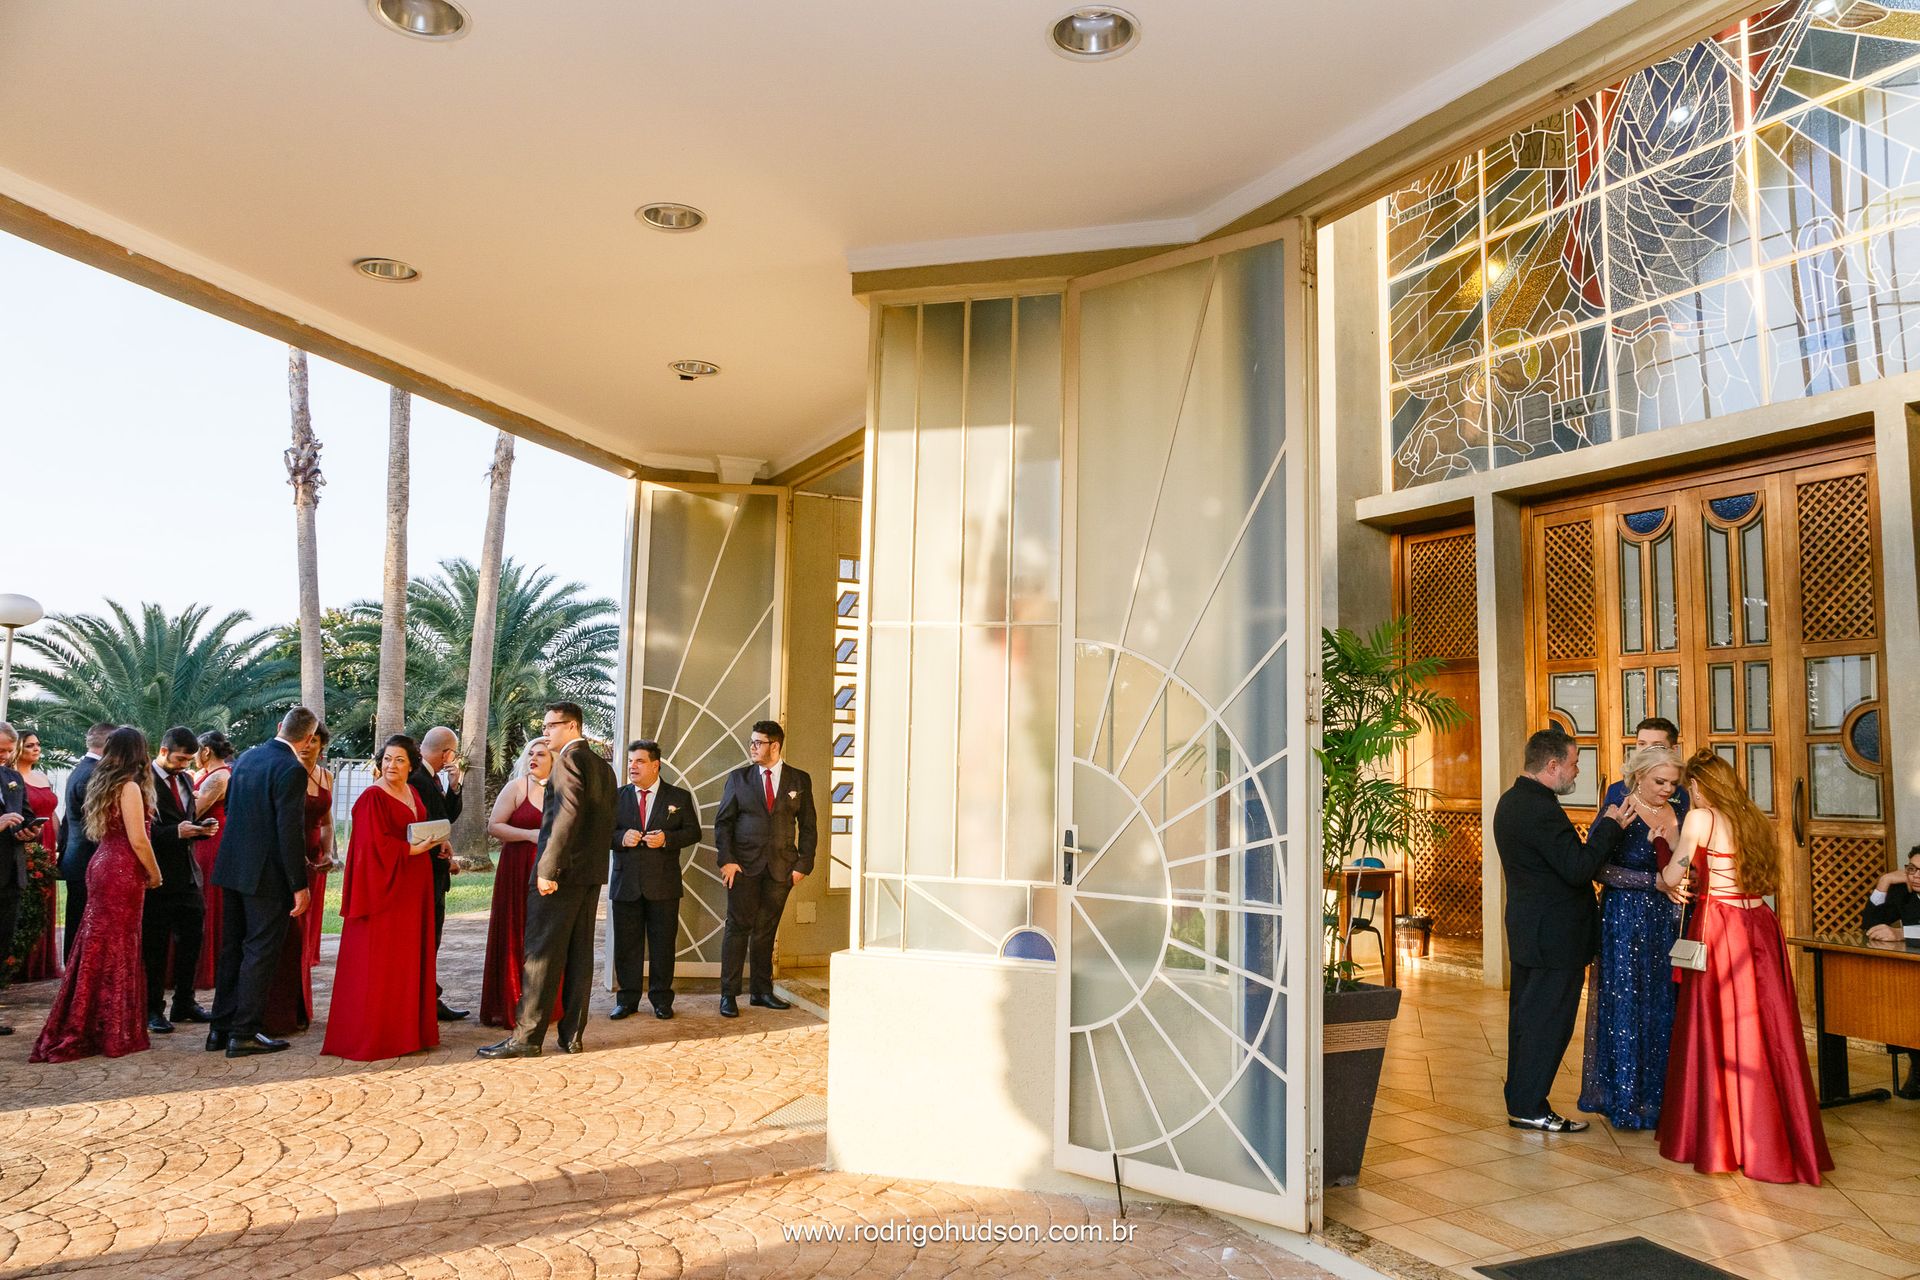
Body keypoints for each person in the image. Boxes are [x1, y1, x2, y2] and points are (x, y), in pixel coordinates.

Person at [1657, 751, 1832, 1184]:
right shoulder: (1755, 818)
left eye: (1690, 787)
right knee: (1769, 1030)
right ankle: (1775, 1137)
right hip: (1759, 924)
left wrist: (1665, 843)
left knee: (1717, 1029)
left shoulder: (1700, 819)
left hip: (1721, 927)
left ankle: (1725, 1139)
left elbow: (1672, 878)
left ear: (1700, 786)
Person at [1493, 726, 1627, 1132]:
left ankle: (1522, 1102)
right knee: (1547, 1025)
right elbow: (1578, 868)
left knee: (1527, 1021)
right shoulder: (1540, 809)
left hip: (1531, 930)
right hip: (1553, 938)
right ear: (1552, 765)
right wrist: (1610, 825)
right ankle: (1531, 1107)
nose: (1577, 772)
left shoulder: (1511, 801)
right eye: (1573, 764)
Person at [477, 702, 615, 1059]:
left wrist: (546, 869)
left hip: (562, 875)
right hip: (589, 875)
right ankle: (572, 1036)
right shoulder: (602, 766)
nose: (546, 732)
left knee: (540, 955)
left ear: (571, 727)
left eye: (552, 726)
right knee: (580, 956)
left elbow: (564, 819)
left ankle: (526, 1038)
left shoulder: (569, 762)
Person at [31, 726, 163, 1062]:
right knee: (116, 945)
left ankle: (87, 1019)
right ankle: (108, 1026)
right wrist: (155, 872)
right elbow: (138, 839)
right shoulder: (130, 786)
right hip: (121, 868)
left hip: (102, 863)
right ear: (139, 752)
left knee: (96, 943)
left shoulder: (103, 782)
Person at [1579, 743, 1687, 1129]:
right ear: (1639, 775)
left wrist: (1676, 863)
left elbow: (1685, 861)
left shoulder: (1679, 810)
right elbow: (1596, 868)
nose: (1666, 790)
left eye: (1673, 784)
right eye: (1660, 781)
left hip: (1664, 922)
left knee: (1661, 1003)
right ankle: (1624, 1097)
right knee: (1626, 1005)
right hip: (1624, 918)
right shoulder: (1621, 808)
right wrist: (1652, 882)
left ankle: (1658, 1096)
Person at [323, 735, 441, 1061]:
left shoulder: (413, 791)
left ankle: (407, 1033)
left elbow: (417, 828)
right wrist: (414, 849)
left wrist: (438, 841)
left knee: (406, 960)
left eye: (399, 760)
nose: (391, 765)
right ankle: (376, 1035)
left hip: (413, 887)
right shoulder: (372, 798)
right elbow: (370, 848)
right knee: (381, 961)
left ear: (411, 764)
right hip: (384, 890)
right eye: (387, 759)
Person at [207, 706, 317, 1058]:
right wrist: (299, 884)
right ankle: (244, 1033)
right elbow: (289, 831)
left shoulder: (248, 758)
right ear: (308, 739)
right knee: (259, 951)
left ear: (280, 726)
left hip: (232, 867)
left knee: (232, 949)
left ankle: (219, 1029)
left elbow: (235, 813)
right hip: (266, 875)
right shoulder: (291, 769)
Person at [712, 720, 817, 1019]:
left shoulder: (799, 780)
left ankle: (761, 991)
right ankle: (728, 995)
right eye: (752, 742)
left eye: (759, 743)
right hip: (742, 867)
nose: (753, 747)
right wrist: (727, 860)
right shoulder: (739, 778)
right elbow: (724, 823)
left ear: (775, 745)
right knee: (737, 928)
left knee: (765, 931)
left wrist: (803, 865)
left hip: (782, 869)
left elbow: (808, 826)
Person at [609, 739, 701, 1020]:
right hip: (626, 884)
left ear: (655, 765)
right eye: (630, 762)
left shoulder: (679, 797)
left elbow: (693, 833)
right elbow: (602, 832)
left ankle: (662, 999)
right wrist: (620, 838)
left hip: (663, 884)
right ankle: (626, 1000)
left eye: (639, 761)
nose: (632, 766)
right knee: (626, 945)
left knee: (662, 945)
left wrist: (666, 839)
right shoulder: (617, 796)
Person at [262, 724, 333, 1035]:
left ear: (320, 745)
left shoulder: (325, 776)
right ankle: (283, 1010)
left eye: (314, 741)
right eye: (306, 739)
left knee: (306, 937)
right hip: (288, 861)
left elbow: (328, 822)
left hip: (315, 861)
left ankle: (300, 1007)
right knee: (289, 934)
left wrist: (328, 853)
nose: (307, 745)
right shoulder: (285, 771)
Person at [142, 726, 214, 1033]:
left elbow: (186, 819)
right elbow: (140, 831)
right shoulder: (141, 781)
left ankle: (185, 1002)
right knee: (155, 947)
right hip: (156, 877)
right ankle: (152, 1009)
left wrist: (201, 827)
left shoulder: (186, 779)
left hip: (187, 875)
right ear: (163, 751)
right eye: (181, 759)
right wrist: (175, 832)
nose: (186, 765)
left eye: (189, 760)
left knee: (192, 942)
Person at [479, 737, 551, 1029]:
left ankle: (541, 1003)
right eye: (530, 753)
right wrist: (530, 835)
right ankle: (509, 1002)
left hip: (548, 870)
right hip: (516, 869)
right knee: (515, 929)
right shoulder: (517, 787)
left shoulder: (563, 789)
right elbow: (494, 826)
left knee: (544, 934)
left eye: (541, 754)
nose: (533, 758)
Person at [411, 725, 468, 1022]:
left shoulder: (431, 778)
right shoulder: (417, 778)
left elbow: (445, 818)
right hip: (426, 871)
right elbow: (430, 826)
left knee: (433, 938)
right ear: (448, 753)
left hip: (436, 867)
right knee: (427, 939)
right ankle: (425, 1000)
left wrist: (454, 785)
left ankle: (430, 997)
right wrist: (445, 859)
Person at [1862, 846, 1920, 1099]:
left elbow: (1897, 933)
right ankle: (1918, 1067)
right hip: (1913, 973)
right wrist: (1883, 882)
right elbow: (1869, 925)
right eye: (1912, 869)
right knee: (1901, 1004)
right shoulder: (1904, 892)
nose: (1915, 876)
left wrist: (1900, 934)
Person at [58, 722, 116, 961]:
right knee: (82, 921)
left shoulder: (80, 769)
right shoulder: (94, 774)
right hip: (87, 859)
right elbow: (97, 825)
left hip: (77, 857)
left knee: (78, 919)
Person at [0, 722, 43, 1034]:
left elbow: (26, 814)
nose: (4, 756)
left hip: (10, 873)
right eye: (0, 750)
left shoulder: (13, 778)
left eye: (7, 750)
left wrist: (30, 828)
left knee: (2, 945)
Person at [15, 728, 63, 982]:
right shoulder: (11, 778)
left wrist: (58, 841)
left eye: (38, 744)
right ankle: (19, 963)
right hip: (25, 843)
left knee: (44, 900)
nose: (36, 748)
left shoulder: (42, 776)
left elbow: (52, 811)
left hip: (47, 844)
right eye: (30, 745)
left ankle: (41, 962)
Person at [190, 730, 236, 991]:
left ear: (206, 750)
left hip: (211, 842)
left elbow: (196, 810)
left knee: (206, 897)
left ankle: (206, 966)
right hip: (200, 840)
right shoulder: (204, 774)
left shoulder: (219, 776)